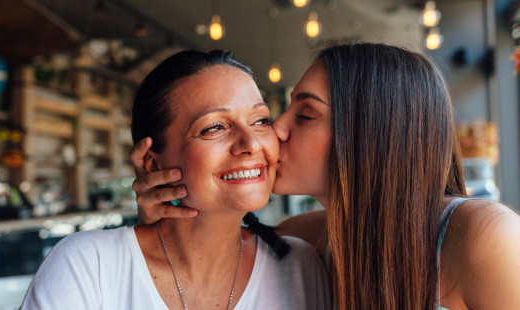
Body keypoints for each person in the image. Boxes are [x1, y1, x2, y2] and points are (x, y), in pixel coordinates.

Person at [130, 43, 520, 309]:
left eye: (305, 115)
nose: (275, 130)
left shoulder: (485, 238)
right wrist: (163, 216)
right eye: (275, 115)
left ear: (371, 133)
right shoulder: (305, 239)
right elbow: (203, 254)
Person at [20, 50, 331, 310]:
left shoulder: (299, 266)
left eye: (261, 120)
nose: (251, 143)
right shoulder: (89, 266)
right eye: (214, 128)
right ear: (153, 162)